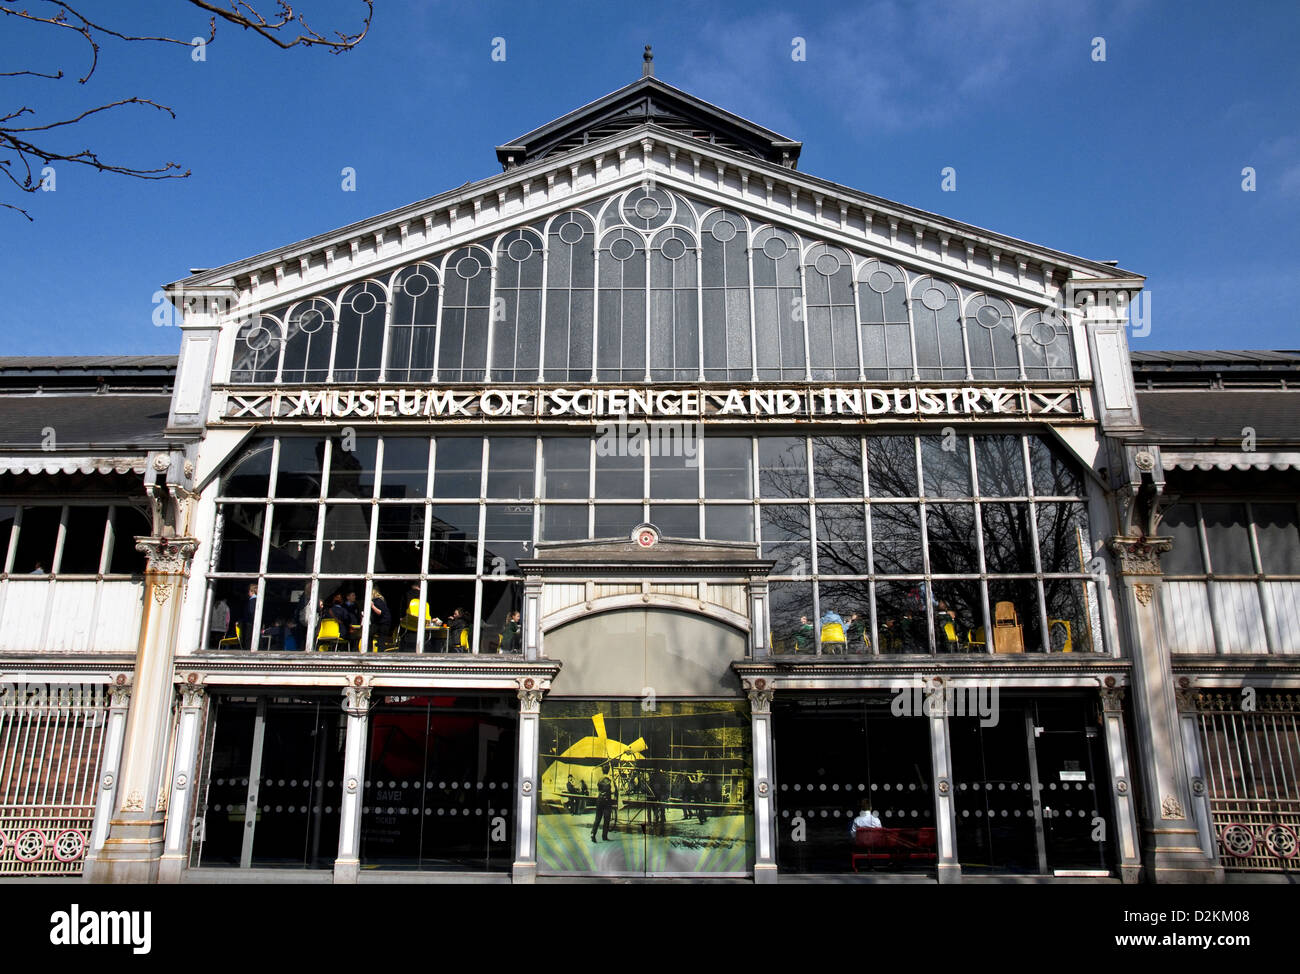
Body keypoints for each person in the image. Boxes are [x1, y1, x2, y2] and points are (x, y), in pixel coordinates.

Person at [591, 771, 615, 842]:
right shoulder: (609, 780)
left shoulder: (599, 779)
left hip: (599, 800)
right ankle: (604, 836)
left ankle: (593, 833)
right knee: (606, 819)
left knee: (597, 818)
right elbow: (613, 790)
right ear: (609, 770)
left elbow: (599, 788)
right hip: (606, 801)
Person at [241, 583, 258, 650]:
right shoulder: (258, 600)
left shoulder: (252, 601)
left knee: (248, 638)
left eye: (249, 591)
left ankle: (248, 650)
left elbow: (251, 612)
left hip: (250, 622)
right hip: (253, 622)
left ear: (252, 591)